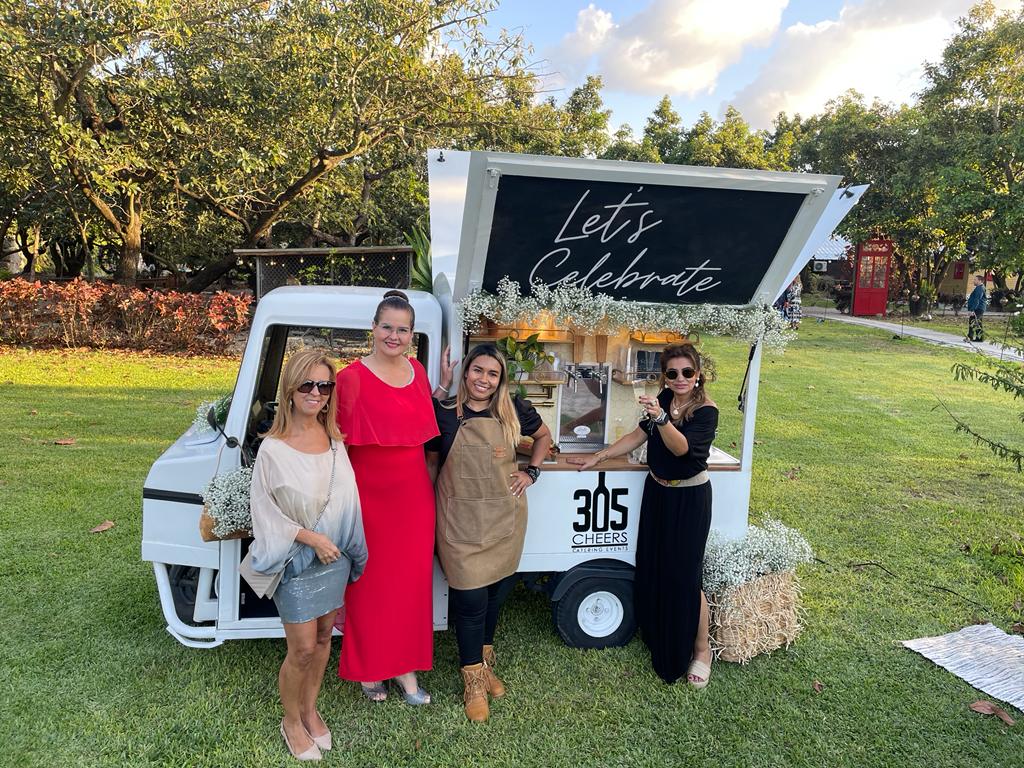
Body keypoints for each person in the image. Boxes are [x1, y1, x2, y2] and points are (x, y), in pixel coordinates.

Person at [570, 343, 718, 687]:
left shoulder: (706, 411)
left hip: (689, 498)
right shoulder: (665, 399)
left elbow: (681, 449)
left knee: (686, 575)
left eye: (687, 372)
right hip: (658, 492)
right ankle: (658, 632)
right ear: (664, 376)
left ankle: (702, 649)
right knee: (654, 565)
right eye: (672, 373)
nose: (680, 379)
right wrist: (600, 456)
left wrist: (661, 418)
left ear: (698, 375)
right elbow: (638, 436)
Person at [247, 348, 367, 762]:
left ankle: (310, 710)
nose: (316, 393)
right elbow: (264, 513)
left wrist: (350, 549)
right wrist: (312, 539)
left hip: (335, 559)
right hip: (295, 563)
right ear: (290, 390)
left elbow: (348, 502)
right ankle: (291, 721)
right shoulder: (273, 449)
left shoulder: (335, 443)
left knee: (323, 638)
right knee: (301, 648)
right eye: (307, 385)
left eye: (325, 386)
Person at [425, 344, 553, 722]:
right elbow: (431, 465)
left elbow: (544, 437)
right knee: (470, 603)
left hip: (503, 520)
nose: (484, 379)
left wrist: (531, 471)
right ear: (466, 372)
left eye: (492, 374)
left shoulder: (514, 409)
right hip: (460, 523)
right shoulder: (443, 413)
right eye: (477, 370)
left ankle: (483, 667)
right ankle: (473, 683)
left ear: (501, 380)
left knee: (495, 597)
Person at [334, 290, 449, 704]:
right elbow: (339, 447)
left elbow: (416, 418)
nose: (394, 336)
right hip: (369, 499)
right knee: (369, 586)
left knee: (409, 588)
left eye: (402, 329)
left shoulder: (417, 371)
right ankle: (370, 669)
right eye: (387, 327)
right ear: (373, 328)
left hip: (413, 499)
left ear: (411, 334)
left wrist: (442, 389)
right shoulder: (350, 378)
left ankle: (405, 670)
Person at [966, 274, 988, 342]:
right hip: (979, 308)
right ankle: (980, 338)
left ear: (980, 281)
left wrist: (972, 310)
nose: (974, 281)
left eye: (975, 280)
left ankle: (970, 337)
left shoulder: (980, 288)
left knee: (973, 322)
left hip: (978, 308)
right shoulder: (979, 288)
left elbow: (977, 299)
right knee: (977, 323)